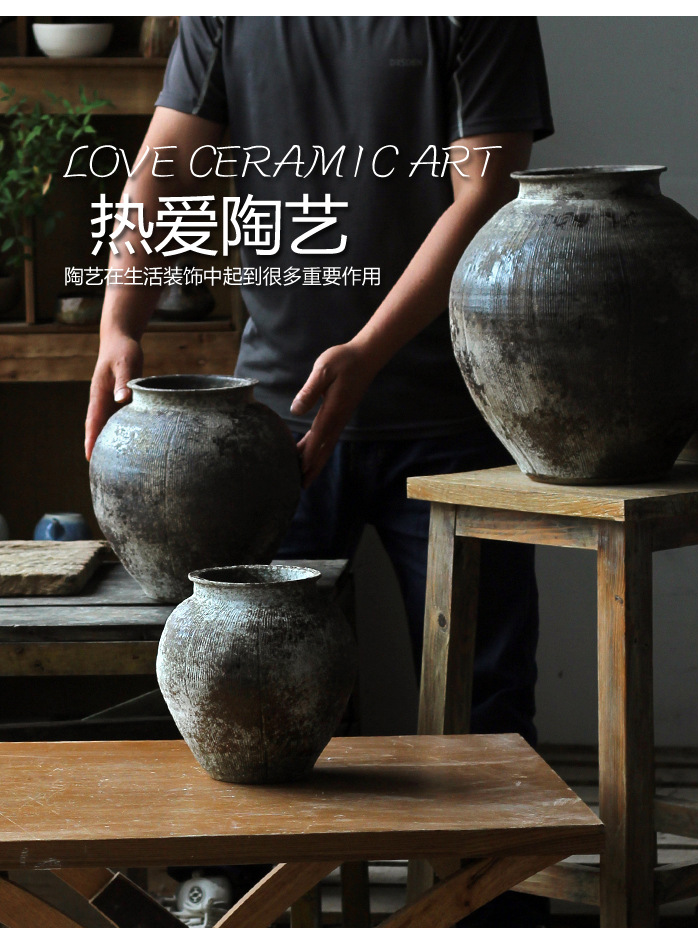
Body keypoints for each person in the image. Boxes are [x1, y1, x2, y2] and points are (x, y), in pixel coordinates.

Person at [85, 16, 553, 925]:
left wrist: (368, 351)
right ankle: (259, 914)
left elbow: (487, 190)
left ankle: (494, 917)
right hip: (270, 432)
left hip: (455, 421)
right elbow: (165, 164)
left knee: (487, 705)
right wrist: (118, 322)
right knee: (251, 710)